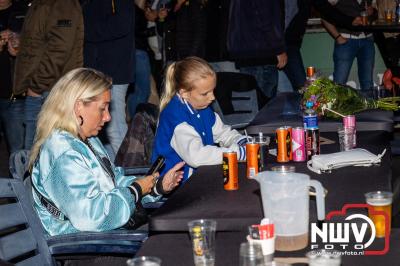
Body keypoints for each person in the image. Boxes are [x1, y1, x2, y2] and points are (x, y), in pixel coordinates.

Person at [29, 68, 184, 237]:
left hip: (104, 235)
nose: (108, 117)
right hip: (84, 247)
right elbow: (91, 217)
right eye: (103, 108)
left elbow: (114, 182)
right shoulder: (62, 152)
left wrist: (155, 187)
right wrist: (136, 190)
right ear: (78, 106)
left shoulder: (88, 140)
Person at [152, 57, 248, 182]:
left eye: (213, 91)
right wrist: (237, 153)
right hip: (178, 190)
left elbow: (223, 133)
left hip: (199, 178)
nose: (212, 97)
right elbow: (197, 156)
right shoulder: (175, 118)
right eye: (205, 93)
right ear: (184, 93)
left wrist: (240, 140)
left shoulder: (202, 107)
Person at [13, 0, 84, 150]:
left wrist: (37, 85)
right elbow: (44, 40)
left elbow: (60, 48)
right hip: (45, 89)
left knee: (37, 154)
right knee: (36, 153)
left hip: (49, 92)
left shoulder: (63, 3)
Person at [82, 0, 135, 157]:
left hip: (114, 70)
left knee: (114, 126)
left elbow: (122, 24)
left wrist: (83, 30)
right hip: (102, 68)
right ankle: (114, 171)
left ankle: (130, 172)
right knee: (105, 128)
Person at [322, 0, 376, 91]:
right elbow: (324, 15)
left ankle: (369, 105)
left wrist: (373, 11)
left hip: (367, 39)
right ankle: (338, 105)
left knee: (367, 83)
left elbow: (376, 15)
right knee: (340, 82)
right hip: (346, 40)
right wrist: (338, 37)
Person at [0, 0, 26, 154]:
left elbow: (37, 43)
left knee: (17, 151)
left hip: (13, 94)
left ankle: (18, 178)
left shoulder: (24, 11)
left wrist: (21, 43)